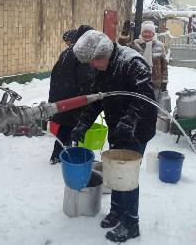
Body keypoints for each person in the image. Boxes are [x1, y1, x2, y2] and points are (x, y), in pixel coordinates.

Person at [70, 30, 157, 243]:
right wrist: (83, 123)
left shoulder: (133, 63)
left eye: (94, 61)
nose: (92, 65)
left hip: (138, 128)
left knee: (126, 174)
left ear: (105, 53)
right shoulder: (101, 69)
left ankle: (131, 222)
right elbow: (98, 99)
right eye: (89, 62)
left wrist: (129, 122)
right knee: (114, 169)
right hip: (118, 125)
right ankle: (117, 210)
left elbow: (143, 98)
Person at [47, 25, 96, 164]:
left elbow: (56, 75)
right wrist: (89, 98)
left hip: (61, 97)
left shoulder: (67, 52)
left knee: (66, 126)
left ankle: (59, 154)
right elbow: (86, 79)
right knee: (73, 127)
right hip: (73, 98)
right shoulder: (82, 54)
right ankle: (70, 155)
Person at [130, 21, 168, 100]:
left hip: (155, 82)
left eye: (149, 32)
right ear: (141, 32)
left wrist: (164, 81)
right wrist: (124, 35)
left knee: (153, 106)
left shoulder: (160, 46)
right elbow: (121, 48)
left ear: (153, 33)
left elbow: (164, 66)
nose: (147, 34)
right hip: (138, 81)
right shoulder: (135, 44)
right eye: (145, 32)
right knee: (138, 105)